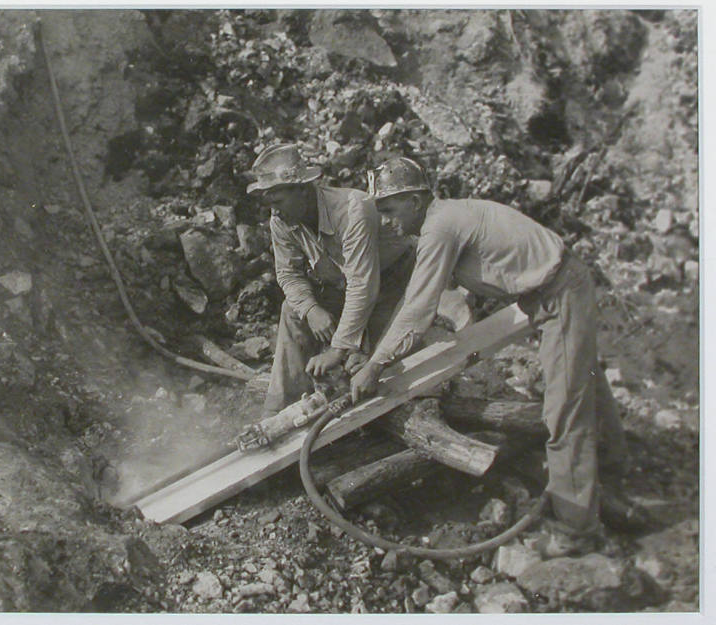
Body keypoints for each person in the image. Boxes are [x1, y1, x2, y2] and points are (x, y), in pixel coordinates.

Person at [349, 157, 629, 557]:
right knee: (584, 381)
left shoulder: (440, 226)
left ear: (413, 200)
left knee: (564, 409)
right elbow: (414, 298)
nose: (389, 223)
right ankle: (612, 473)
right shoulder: (443, 218)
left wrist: (377, 365)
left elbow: (419, 309)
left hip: (558, 294)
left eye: (390, 211)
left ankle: (575, 529)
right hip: (553, 291)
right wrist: (377, 352)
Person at [247, 144, 414, 419]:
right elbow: (288, 274)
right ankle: (277, 412)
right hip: (345, 288)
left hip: (392, 286)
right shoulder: (282, 220)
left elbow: (363, 287)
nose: (273, 212)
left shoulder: (352, 210)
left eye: (277, 202)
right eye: (269, 203)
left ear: (302, 189)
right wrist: (312, 311)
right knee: (293, 311)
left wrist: (337, 349)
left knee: (374, 376)